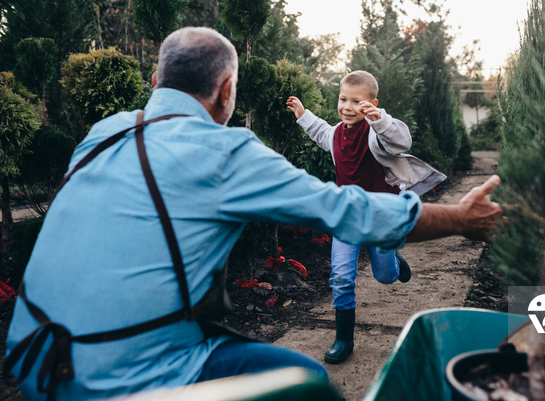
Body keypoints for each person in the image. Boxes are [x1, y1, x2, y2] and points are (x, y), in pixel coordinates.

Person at [5, 27, 503, 401]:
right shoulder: (224, 151)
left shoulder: (103, 131)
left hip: (29, 356)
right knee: (307, 383)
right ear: (226, 92)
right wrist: (459, 217)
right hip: (113, 380)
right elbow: (345, 211)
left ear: (157, 81)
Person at [286, 70, 446, 363]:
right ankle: (343, 339)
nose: (347, 107)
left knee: (384, 277)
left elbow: (402, 140)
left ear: (372, 103)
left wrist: (380, 118)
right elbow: (321, 132)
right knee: (341, 276)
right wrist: (302, 114)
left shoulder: (378, 134)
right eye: (342, 99)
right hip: (346, 215)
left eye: (356, 101)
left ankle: (393, 262)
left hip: (380, 216)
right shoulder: (336, 133)